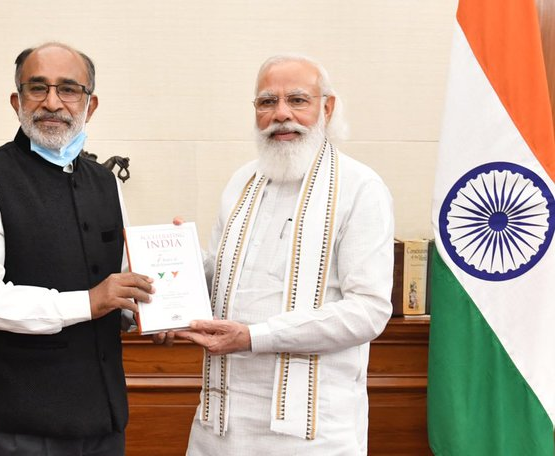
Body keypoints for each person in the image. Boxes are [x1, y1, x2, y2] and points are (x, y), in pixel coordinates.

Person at [161, 54, 394, 455]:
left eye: (297, 100)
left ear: (327, 107)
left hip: (313, 433)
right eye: (267, 102)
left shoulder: (360, 188)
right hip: (220, 424)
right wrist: (175, 267)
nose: (281, 114)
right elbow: (224, 279)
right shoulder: (241, 181)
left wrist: (255, 337)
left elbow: (368, 311)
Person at [0, 42, 154, 456]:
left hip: (104, 418)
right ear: (17, 100)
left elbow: (116, 284)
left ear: (90, 104)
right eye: (37, 88)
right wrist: (87, 302)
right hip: (19, 425)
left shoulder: (106, 182)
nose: (53, 102)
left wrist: (145, 314)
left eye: (69, 89)